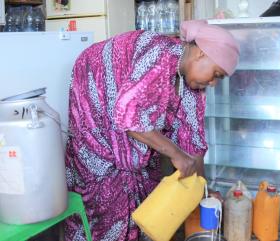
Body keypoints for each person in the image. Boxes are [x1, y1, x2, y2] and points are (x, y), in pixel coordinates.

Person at [65, 20, 240, 241]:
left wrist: (203, 190)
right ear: (200, 54)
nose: (214, 83)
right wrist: (176, 155)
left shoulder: (192, 85)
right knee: (108, 211)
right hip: (96, 132)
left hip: (129, 136)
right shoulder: (158, 55)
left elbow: (193, 142)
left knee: (149, 202)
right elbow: (129, 117)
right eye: (216, 74)